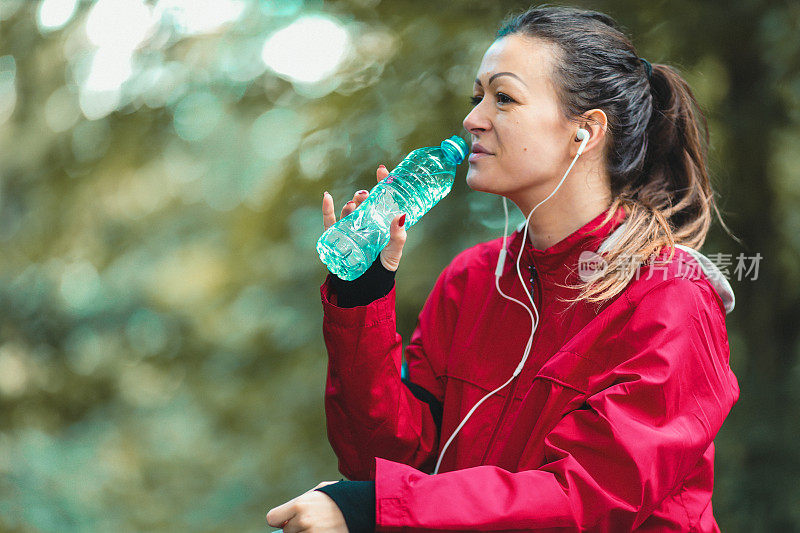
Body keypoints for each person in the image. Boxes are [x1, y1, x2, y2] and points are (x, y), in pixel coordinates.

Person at [267, 5, 739, 532]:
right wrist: (361, 292)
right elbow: (384, 460)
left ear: (585, 131)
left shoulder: (670, 297)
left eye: (504, 98)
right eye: (478, 98)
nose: (472, 119)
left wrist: (374, 510)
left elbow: (584, 499)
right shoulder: (472, 279)